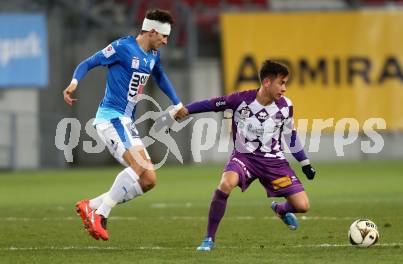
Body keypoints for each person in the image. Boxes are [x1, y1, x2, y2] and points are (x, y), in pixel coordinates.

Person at [63, 9, 188, 241]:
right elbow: (88, 62)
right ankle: (100, 215)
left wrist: (177, 103)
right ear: (151, 32)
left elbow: (160, 77)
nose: (166, 41)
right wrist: (73, 83)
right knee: (139, 167)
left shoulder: (152, 55)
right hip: (111, 118)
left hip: (126, 122)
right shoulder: (122, 47)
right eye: (163, 36)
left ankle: (91, 205)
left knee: (149, 179)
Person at [181, 60, 316, 251]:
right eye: (282, 82)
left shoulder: (286, 106)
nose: (284, 88)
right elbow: (212, 104)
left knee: (302, 206)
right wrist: (187, 109)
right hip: (244, 158)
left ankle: (280, 209)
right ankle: (209, 239)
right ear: (267, 82)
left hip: (274, 162)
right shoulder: (240, 100)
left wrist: (305, 162)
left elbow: (289, 134)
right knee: (226, 184)